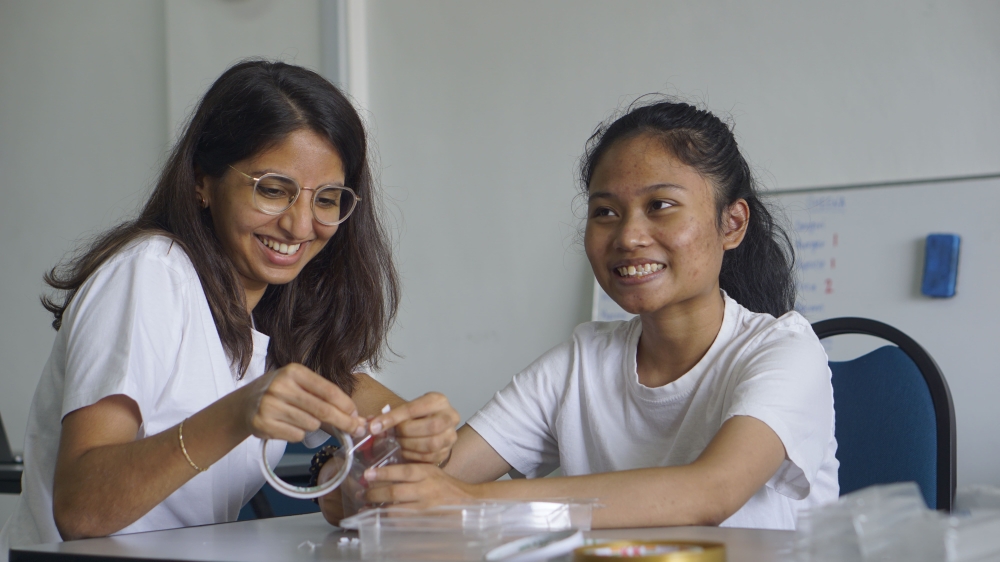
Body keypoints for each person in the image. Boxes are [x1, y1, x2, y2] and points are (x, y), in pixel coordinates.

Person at [0, 60, 459, 557]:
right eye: (273, 190)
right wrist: (239, 413)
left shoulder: (277, 312)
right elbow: (82, 511)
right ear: (203, 181)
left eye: (326, 199)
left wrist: (421, 436)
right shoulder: (152, 273)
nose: (301, 226)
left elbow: (413, 438)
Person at [331, 99, 838, 530]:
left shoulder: (785, 350)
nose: (628, 236)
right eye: (606, 212)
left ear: (732, 223)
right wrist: (355, 466)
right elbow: (447, 473)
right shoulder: (584, 358)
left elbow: (712, 491)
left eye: (660, 205)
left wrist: (469, 503)